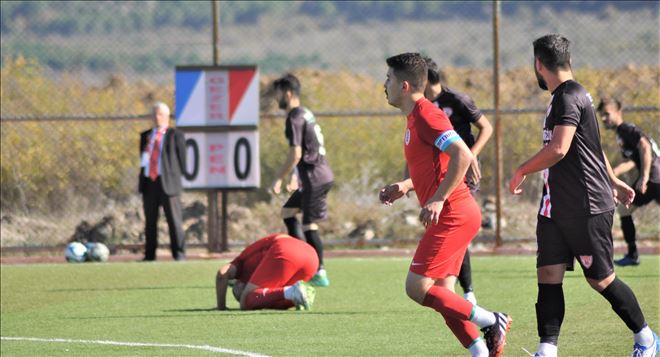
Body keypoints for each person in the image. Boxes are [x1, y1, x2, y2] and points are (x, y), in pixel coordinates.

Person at [508, 34, 658, 357]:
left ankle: (646, 338)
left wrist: (522, 169)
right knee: (548, 276)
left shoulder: (569, 96)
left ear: (538, 64)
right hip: (554, 207)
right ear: (568, 61)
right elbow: (591, 146)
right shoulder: (564, 96)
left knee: (601, 280)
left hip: (586, 207)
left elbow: (559, 149)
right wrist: (615, 179)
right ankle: (546, 350)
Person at [379, 52, 511, 357]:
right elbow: (436, 165)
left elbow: (462, 156)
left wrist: (438, 198)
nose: (383, 84)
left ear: (404, 85)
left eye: (388, 78)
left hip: (454, 213)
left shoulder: (427, 114)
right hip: (454, 214)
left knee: (417, 288)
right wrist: (406, 185)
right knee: (442, 293)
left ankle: (493, 320)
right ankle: (482, 353)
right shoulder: (415, 118)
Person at [422, 55, 494, 305]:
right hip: (439, 173)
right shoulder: (423, 108)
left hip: (462, 172)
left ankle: (468, 291)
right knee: (446, 226)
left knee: (456, 226)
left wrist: (471, 156)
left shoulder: (457, 100)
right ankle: (449, 286)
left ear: (425, 79)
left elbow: (487, 127)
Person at [269, 74, 334, 287]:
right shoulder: (305, 113)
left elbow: (296, 154)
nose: (276, 98)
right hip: (314, 175)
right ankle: (303, 263)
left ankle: (319, 271)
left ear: (288, 94)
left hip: (315, 177)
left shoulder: (293, 118)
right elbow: (309, 149)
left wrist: (279, 178)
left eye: (278, 94)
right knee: (287, 212)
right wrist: (296, 176)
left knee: (309, 225)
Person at [597, 97, 660, 267]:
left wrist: (645, 176)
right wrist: (614, 173)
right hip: (656, 177)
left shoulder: (626, 129)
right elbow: (632, 160)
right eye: (601, 115)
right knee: (626, 209)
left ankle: (633, 254)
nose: (604, 119)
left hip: (655, 178)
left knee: (625, 209)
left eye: (607, 114)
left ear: (618, 113)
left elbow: (645, 147)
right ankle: (632, 254)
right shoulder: (621, 133)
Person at [215, 233, 318, 311]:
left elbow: (222, 274)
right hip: (311, 256)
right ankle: (299, 294)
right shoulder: (265, 283)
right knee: (278, 300)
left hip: (285, 249)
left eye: (238, 291)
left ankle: (292, 292)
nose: (239, 292)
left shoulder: (240, 263)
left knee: (245, 302)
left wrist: (221, 307)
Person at [138, 102, 187, 261]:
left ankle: (179, 253)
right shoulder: (145, 136)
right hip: (149, 183)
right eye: (154, 114)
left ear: (166, 116)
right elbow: (143, 159)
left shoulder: (175, 135)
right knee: (150, 222)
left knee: (174, 220)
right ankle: (149, 255)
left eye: (159, 114)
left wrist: (175, 178)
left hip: (168, 184)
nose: (156, 118)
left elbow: (182, 161)